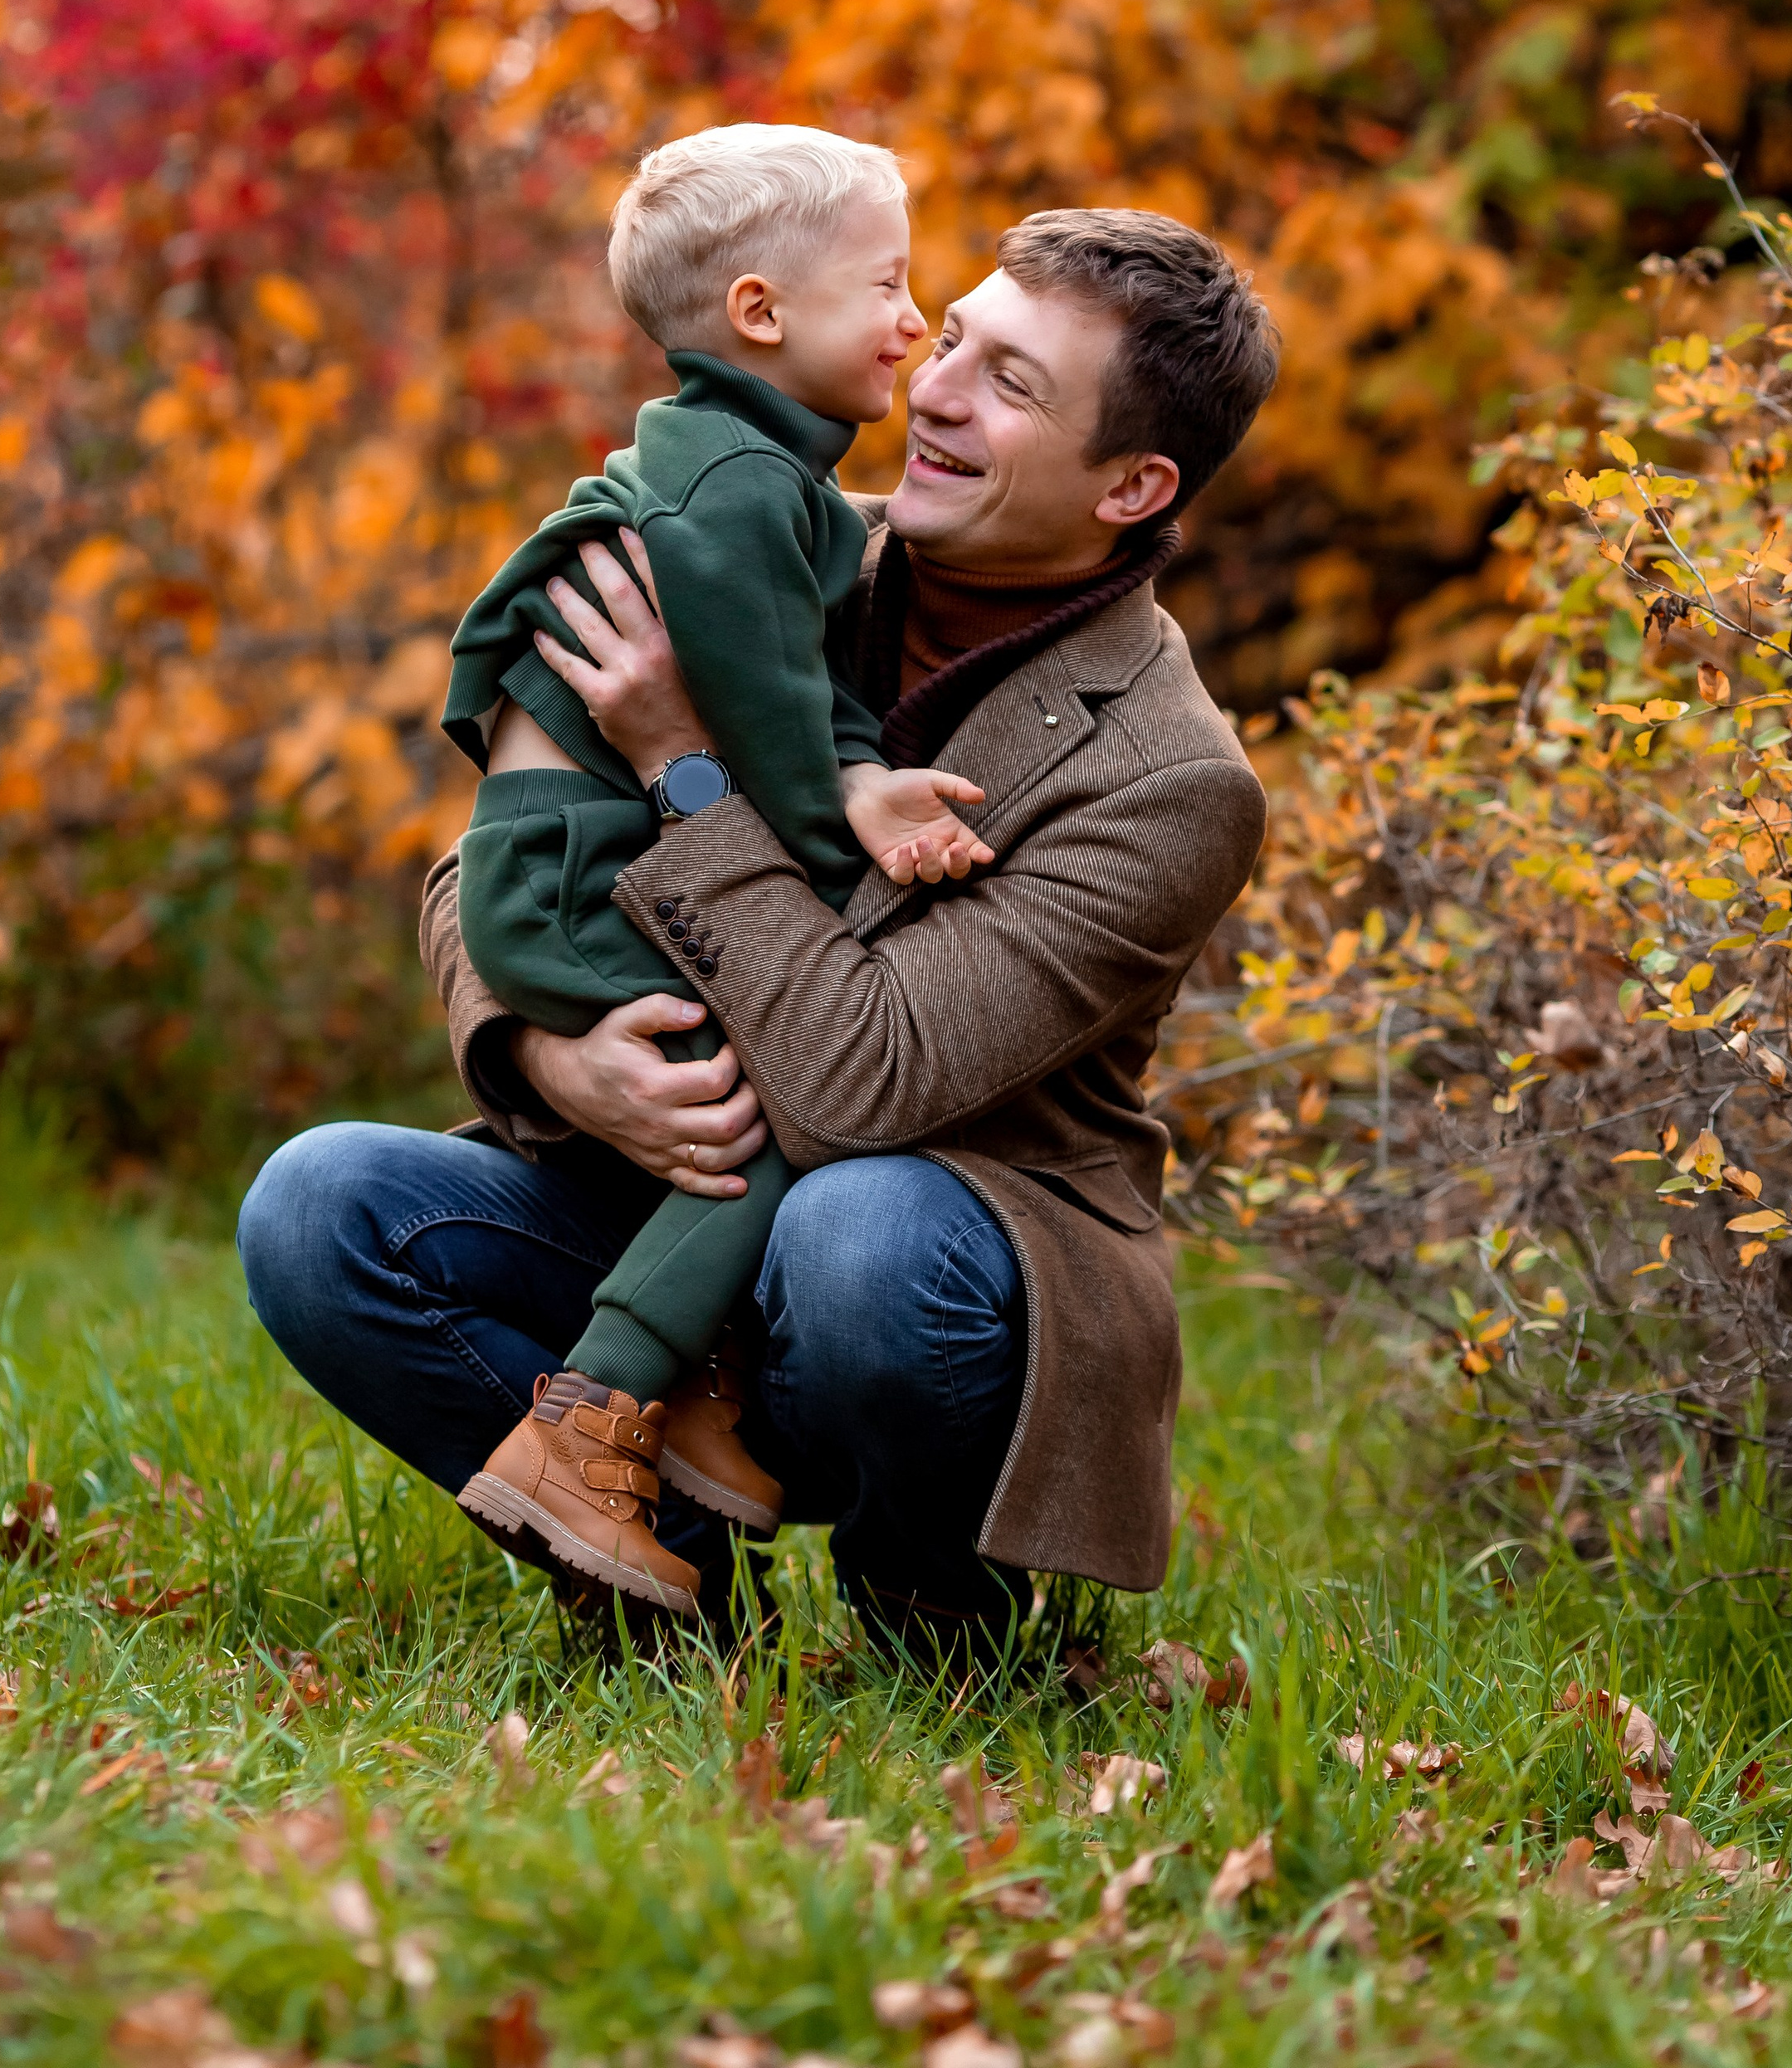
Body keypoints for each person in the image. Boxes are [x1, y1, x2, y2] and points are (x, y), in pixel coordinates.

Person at [238, 206, 1278, 1662]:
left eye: (1013, 383)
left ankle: (939, 1616)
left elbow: (864, 1084)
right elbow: (482, 863)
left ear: (1133, 485)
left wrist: (685, 766)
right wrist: (552, 1057)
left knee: (858, 1236)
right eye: (956, 334)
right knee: (319, 1206)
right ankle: (656, 1592)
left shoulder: (1171, 781)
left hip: (943, 1257)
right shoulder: (764, 541)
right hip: (674, 1181)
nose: (938, 385)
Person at [438, 123, 995, 1612]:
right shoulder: (739, 493)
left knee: (778, 1082)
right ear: (762, 314)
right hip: (572, 878)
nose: (909, 323)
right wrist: (849, 848)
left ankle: (693, 1394)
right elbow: (754, 731)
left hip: (590, 856)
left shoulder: (761, 479)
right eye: (885, 287)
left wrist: (864, 780)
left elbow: (801, 712)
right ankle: (598, 1422)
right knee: (770, 1107)